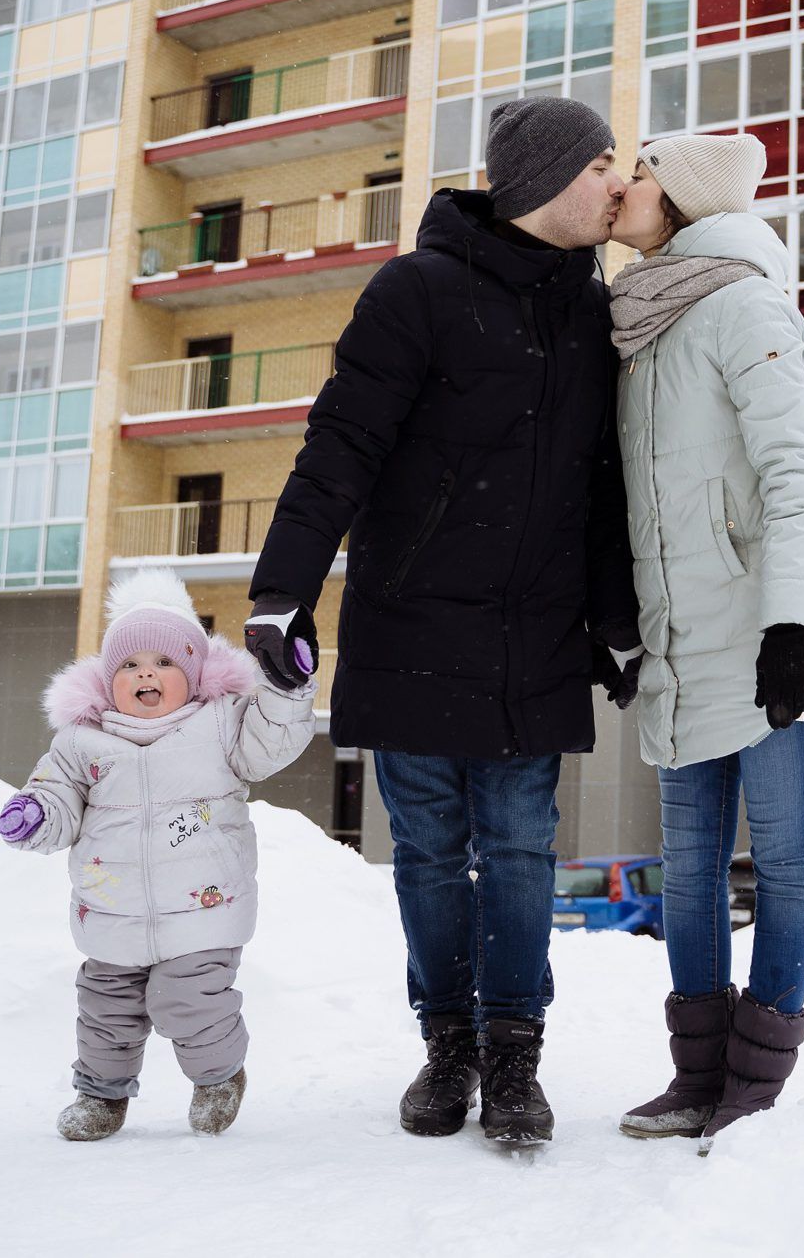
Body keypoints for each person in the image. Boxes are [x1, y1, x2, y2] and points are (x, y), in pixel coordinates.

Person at [241, 96, 641, 1146]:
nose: (619, 179)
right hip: (411, 624)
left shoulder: (593, 313)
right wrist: (280, 592)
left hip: (535, 635)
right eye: (603, 161)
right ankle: (446, 1046)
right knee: (427, 852)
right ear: (546, 176)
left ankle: (512, 1049)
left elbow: (601, 490)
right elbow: (339, 449)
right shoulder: (416, 291)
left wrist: (616, 621)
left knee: (518, 851)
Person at [604, 134, 804, 1146]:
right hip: (680, 638)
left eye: (642, 171)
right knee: (689, 868)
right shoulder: (640, 322)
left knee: (786, 863)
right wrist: (624, 625)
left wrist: (791, 620)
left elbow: (797, 474)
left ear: (684, 194)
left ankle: (752, 1085)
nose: (623, 186)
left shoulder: (745, 303)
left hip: (766, 632)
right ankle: (693, 1078)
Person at [0, 568, 317, 1141]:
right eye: (129, 665)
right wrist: (38, 815)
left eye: (165, 662)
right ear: (106, 680)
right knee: (105, 1009)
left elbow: (272, 742)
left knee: (189, 999)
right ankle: (100, 1097)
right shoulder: (80, 741)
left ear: (194, 675)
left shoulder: (220, 725)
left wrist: (286, 687)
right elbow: (57, 794)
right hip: (112, 911)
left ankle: (219, 1078)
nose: (147, 672)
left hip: (203, 908)